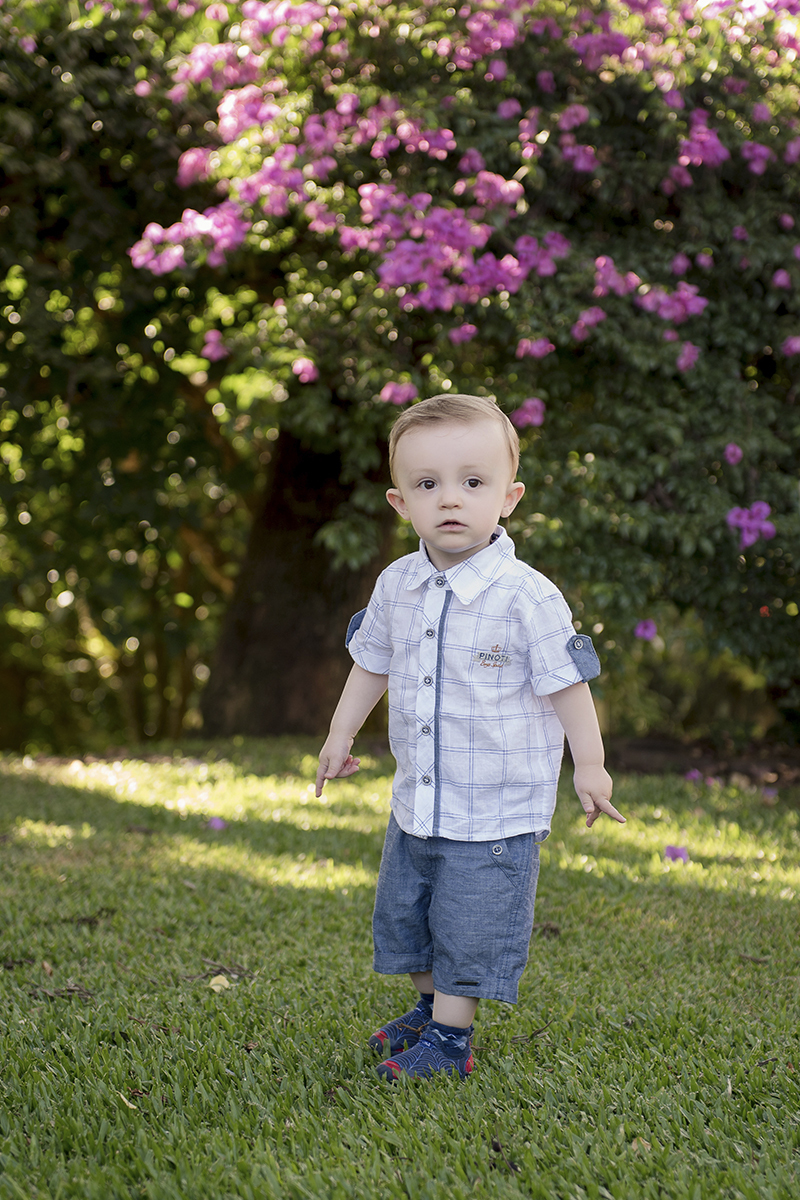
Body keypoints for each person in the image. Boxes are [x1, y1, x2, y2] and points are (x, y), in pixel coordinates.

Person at [315, 393, 625, 1082]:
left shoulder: (526, 596)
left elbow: (566, 685)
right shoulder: (399, 584)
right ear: (401, 504)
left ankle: (451, 1043)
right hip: (421, 801)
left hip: (496, 808)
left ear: (509, 497)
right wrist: (340, 734)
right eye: (429, 485)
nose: (450, 499)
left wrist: (591, 767)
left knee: (470, 922)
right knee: (410, 913)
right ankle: (429, 1008)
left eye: (472, 482)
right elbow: (372, 661)